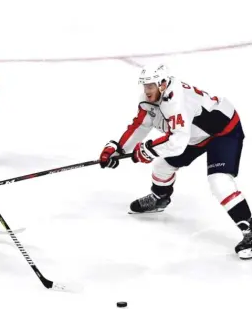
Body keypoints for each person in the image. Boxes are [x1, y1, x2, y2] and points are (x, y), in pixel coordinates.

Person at [99, 63, 251, 260]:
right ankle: (160, 197)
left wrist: (147, 151)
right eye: (145, 86)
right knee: (162, 166)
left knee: (219, 182)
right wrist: (118, 149)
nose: (147, 91)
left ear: (163, 84)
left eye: (151, 86)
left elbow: (177, 142)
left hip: (223, 131)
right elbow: (140, 125)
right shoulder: (149, 99)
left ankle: (250, 230)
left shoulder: (176, 100)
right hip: (194, 135)